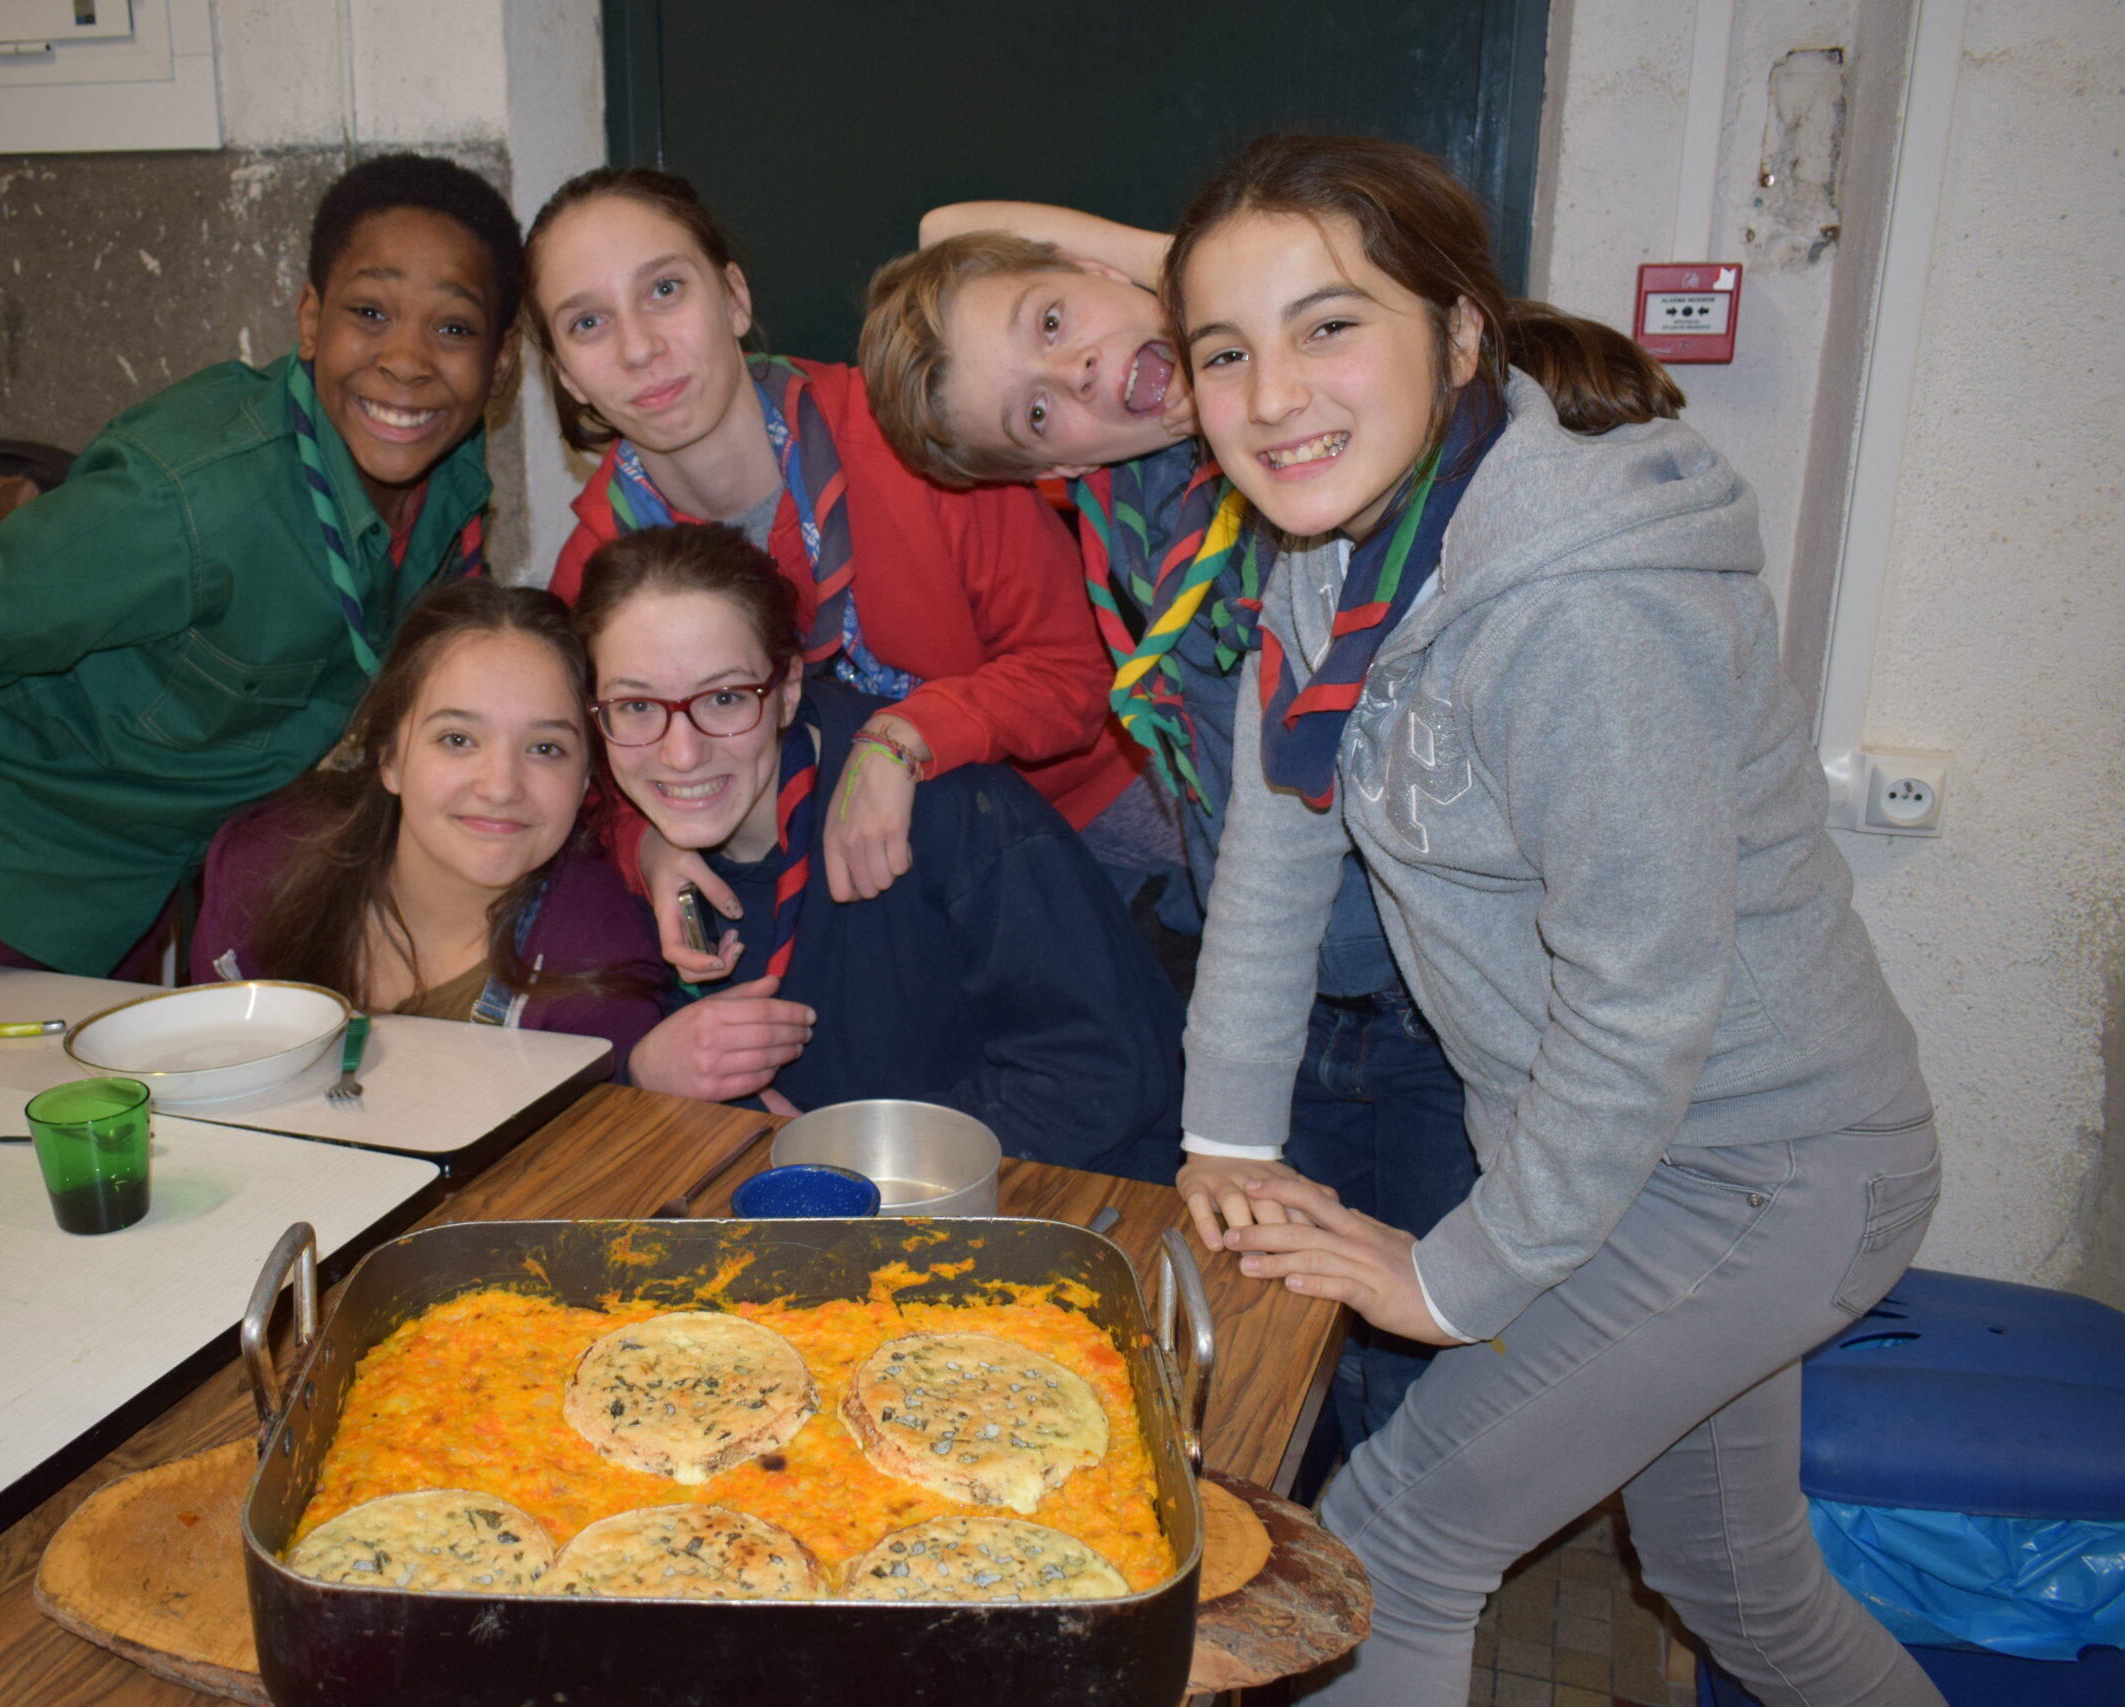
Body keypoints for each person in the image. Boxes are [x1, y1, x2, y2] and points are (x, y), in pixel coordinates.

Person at [1165, 134, 1944, 1707]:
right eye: (1223, 351)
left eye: (1331, 326)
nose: (1271, 395)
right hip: (1635, 1156)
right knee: (1735, 1574)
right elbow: (1273, 852)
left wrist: (1463, 1276)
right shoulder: (1328, 560)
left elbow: (1645, 988)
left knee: (1390, 1532)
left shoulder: (1576, 602)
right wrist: (1230, 1135)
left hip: (1761, 1165)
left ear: (1459, 335)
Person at [863, 215, 1476, 1466]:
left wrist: (1182, 291)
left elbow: (942, 224)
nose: (1080, 378)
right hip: (1283, 1006)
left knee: (1432, 1379)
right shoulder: (1127, 495)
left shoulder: (1302, 435)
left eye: (1055, 321)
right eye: (1037, 414)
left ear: (1111, 271)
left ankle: (1398, 1587)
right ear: (1046, 471)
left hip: (1436, 1013)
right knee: (1288, 1343)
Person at [0, 154, 524, 1015]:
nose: (409, 361)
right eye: (371, 312)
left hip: (133, 904)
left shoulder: (448, 473)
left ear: (500, 366)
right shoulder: (188, 497)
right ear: (310, 320)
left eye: (453, 329)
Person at [519, 167, 1152, 985]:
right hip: (846, 903)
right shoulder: (596, 569)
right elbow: (584, 767)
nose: (639, 348)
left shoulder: (912, 439)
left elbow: (1076, 675)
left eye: (666, 290)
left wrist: (904, 735)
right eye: (589, 322)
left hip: (1082, 828)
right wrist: (648, 847)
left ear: (735, 299)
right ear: (566, 374)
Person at [572, 522, 1183, 1181]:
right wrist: (640, 1068)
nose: (681, 752)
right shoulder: (618, 852)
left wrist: (853, 1158)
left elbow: (1104, 1076)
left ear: (787, 690)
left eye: (724, 698)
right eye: (636, 705)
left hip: (1056, 1205)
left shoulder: (948, 813)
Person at [191, 581, 663, 1067]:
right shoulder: (259, 874)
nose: (500, 787)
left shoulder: (600, 984)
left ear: (586, 778)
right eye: (457, 739)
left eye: (546, 748)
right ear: (390, 757)